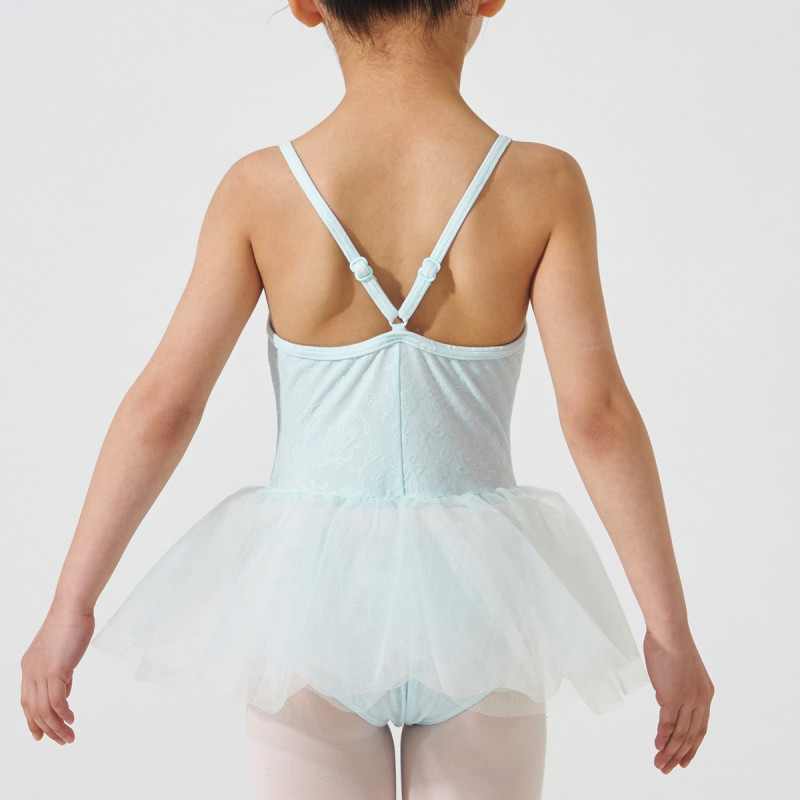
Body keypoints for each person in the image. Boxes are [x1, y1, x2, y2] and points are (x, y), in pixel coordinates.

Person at [20, 0, 714, 797]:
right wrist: (668, 629)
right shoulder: (543, 184)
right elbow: (599, 418)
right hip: (478, 613)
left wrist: (71, 605)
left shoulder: (262, 189)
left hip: (314, 610)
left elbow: (163, 406)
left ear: (306, 7)